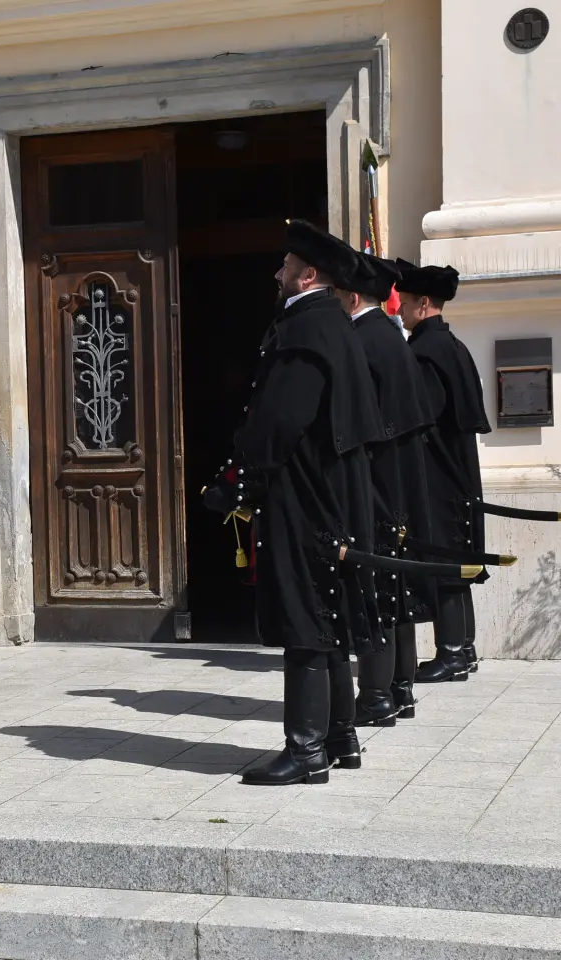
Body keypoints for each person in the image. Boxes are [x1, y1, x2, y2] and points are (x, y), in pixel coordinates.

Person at [202, 221, 384, 785]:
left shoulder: (306, 329)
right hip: (328, 497)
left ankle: (306, 751)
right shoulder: (333, 326)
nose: (275, 273)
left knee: (306, 616)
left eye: (284, 265)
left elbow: (278, 423)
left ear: (308, 275)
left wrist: (239, 485)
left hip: (306, 498)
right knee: (325, 612)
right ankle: (339, 737)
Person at [336, 252, 438, 724]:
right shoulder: (392, 337)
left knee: (374, 582)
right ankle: (401, 687)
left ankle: (375, 695)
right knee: (394, 582)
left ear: (352, 296)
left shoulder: (359, 340)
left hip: (376, 480)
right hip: (402, 482)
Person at [397, 259, 491, 683]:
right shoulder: (454, 346)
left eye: (404, 300)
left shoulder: (424, 352)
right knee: (457, 558)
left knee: (445, 560)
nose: (397, 307)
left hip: (437, 472)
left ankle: (452, 652)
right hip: (458, 469)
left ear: (423, 303)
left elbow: (422, 416)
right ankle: (463, 649)